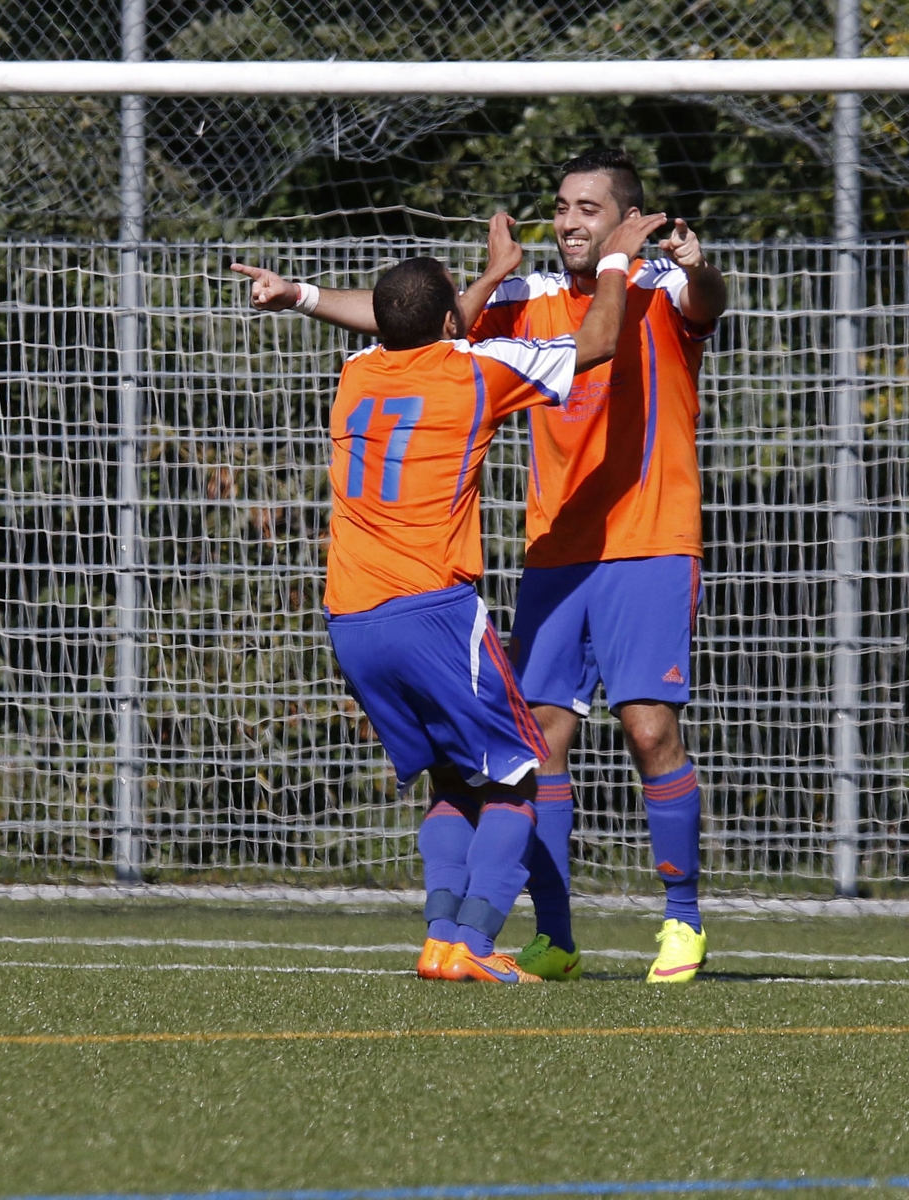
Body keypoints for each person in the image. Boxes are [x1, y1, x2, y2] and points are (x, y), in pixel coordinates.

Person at [235, 149, 729, 985]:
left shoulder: (659, 286)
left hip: (650, 539)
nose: (568, 220)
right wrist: (305, 294)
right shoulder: (526, 301)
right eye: (561, 206)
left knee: (648, 729)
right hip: (555, 551)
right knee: (541, 744)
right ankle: (556, 936)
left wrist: (699, 265)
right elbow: (414, 324)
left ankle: (682, 921)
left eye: (587, 207)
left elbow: (709, 303)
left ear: (625, 218)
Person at [291, 210, 663, 983]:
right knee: (521, 774)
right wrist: (620, 262)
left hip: (350, 615)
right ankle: (479, 940)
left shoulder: (357, 372)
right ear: (449, 319)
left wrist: (491, 276)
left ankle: (438, 938)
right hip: (431, 607)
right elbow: (594, 343)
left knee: (455, 779)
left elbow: (425, 320)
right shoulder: (475, 372)